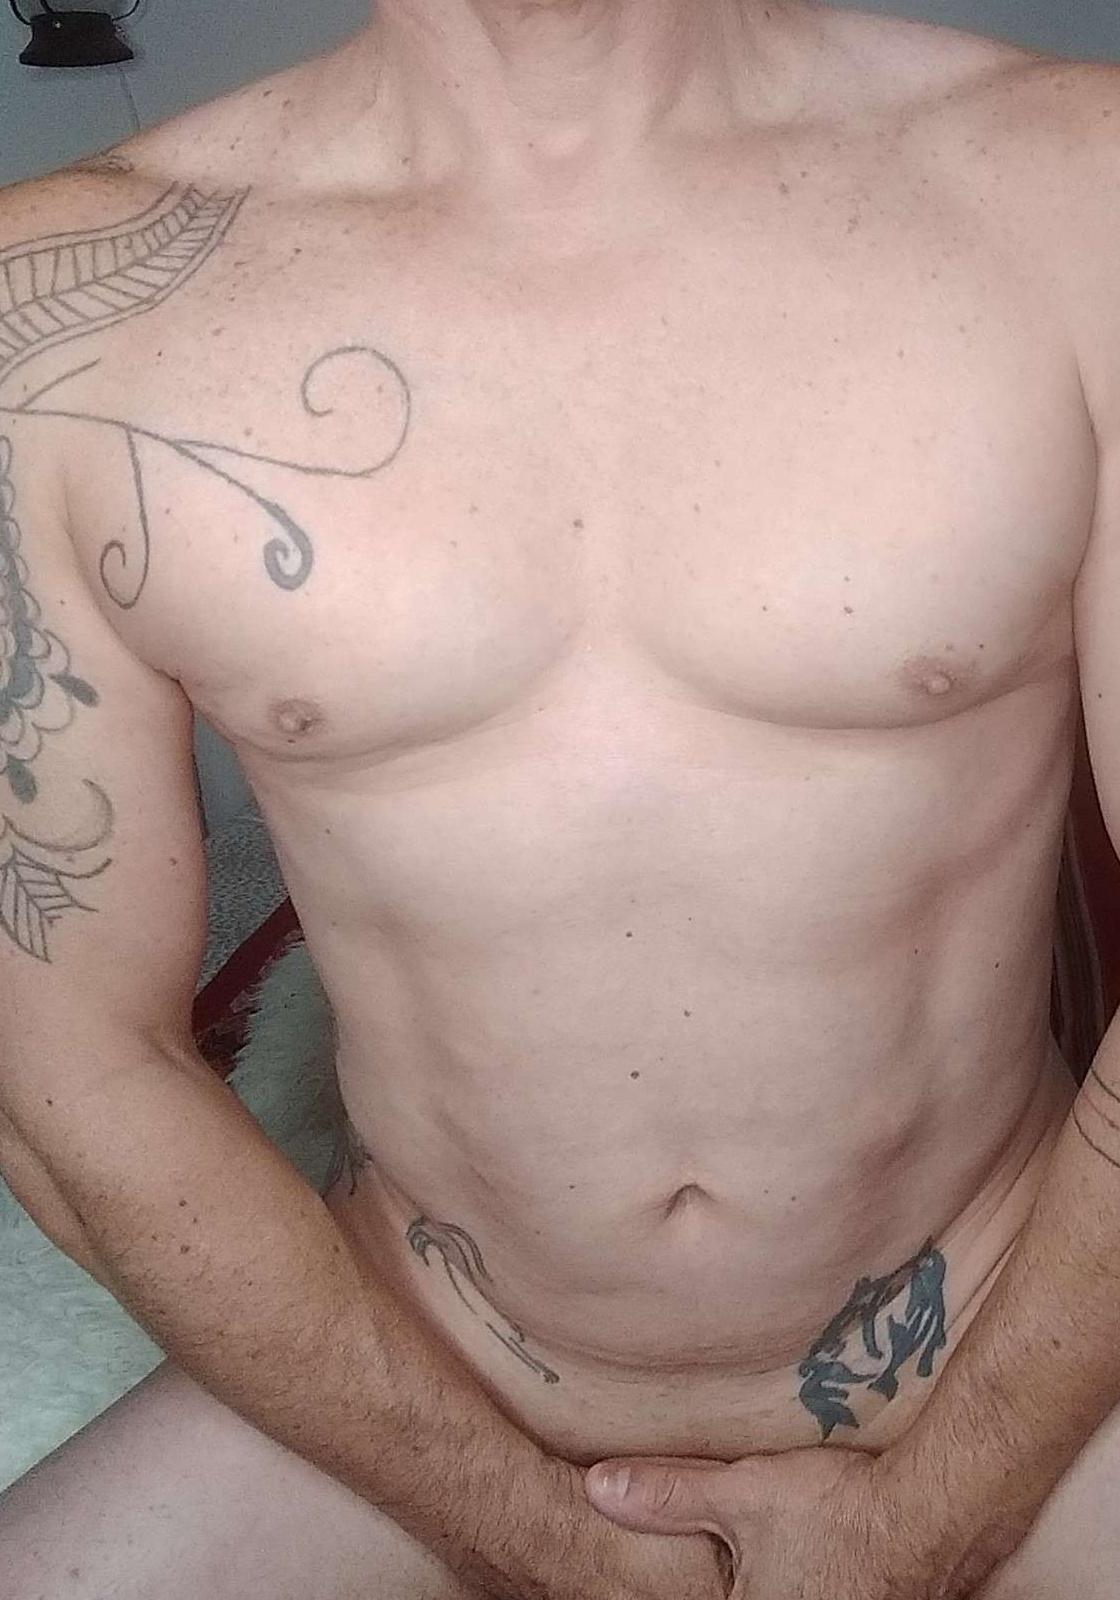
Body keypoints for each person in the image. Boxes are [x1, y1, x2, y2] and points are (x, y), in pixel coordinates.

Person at [2, 0, 1120, 1594]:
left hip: (1017, 1350)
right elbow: (66, 1070)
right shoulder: (53, 311)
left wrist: (934, 1516)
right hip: (426, 1376)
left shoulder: (1081, 189)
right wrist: (518, 1532)